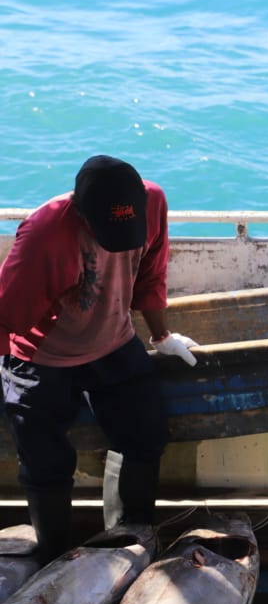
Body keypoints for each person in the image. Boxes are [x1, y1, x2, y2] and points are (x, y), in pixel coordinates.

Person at [0, 155, 198, 563]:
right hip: (42, 356)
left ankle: (130, 546)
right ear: (81, 211)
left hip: (113, 340)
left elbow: (151, 275)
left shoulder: (154, 203)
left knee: (146, 437)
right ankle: (56, 562)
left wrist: (161, 336)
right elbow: (8, 317)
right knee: (46, 464)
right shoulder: (45, 232)